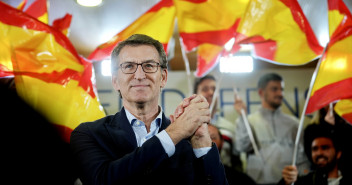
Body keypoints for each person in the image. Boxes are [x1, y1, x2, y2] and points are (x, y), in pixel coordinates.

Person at [70, 34, 228, 185]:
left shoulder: (189, 139)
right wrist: (174, 133)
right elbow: (101, 181)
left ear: (163, 78)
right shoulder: (88, 134)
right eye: (129, 66)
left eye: (149, 65)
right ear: (115, 81)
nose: (139, 75)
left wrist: (201, 141)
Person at [234, 73, 310, 185]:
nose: (280, 94)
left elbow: (303, 160)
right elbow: (242, 147)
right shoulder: (248, 121)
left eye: (282, 89)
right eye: (274, 89)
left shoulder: (294, 123)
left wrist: (302, 176)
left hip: (287, 183)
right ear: (261, 92)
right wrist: (242, 117)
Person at [193, 74, 242, 171]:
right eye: (205, 89)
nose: (211, 92)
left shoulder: (229, 128)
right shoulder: (187, 126)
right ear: (195, 94)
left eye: (214, 89)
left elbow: (236, 160)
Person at [278, 124, 352, 185]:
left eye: (325, 148)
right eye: (315, 149)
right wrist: (286, 182)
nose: (319, 153)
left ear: (338, 153)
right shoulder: (303, 182)